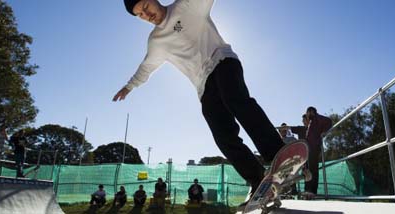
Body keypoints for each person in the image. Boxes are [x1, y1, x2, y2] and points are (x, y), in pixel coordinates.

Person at [114, 0, 285, 204]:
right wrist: (129, 86)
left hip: (222, 61)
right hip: (203, 85)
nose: (146, 14)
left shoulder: (185, 6)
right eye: (140, 15)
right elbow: (147, 67)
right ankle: (257, 179)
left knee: (236, 100)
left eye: (145, 7)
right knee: (222, 134)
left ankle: (278, 154)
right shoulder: (156, 41)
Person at [304, 106, 332, 199]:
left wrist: (324, 132)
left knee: (313, 170)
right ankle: (308, 191)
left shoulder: (318, 118)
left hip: (314, 148)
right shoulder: (312, 122)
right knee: (309, 169)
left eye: (307, 113)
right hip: (309, 149)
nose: (307, 116)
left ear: (311, 112)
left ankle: (312, 191)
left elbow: (329, 121)